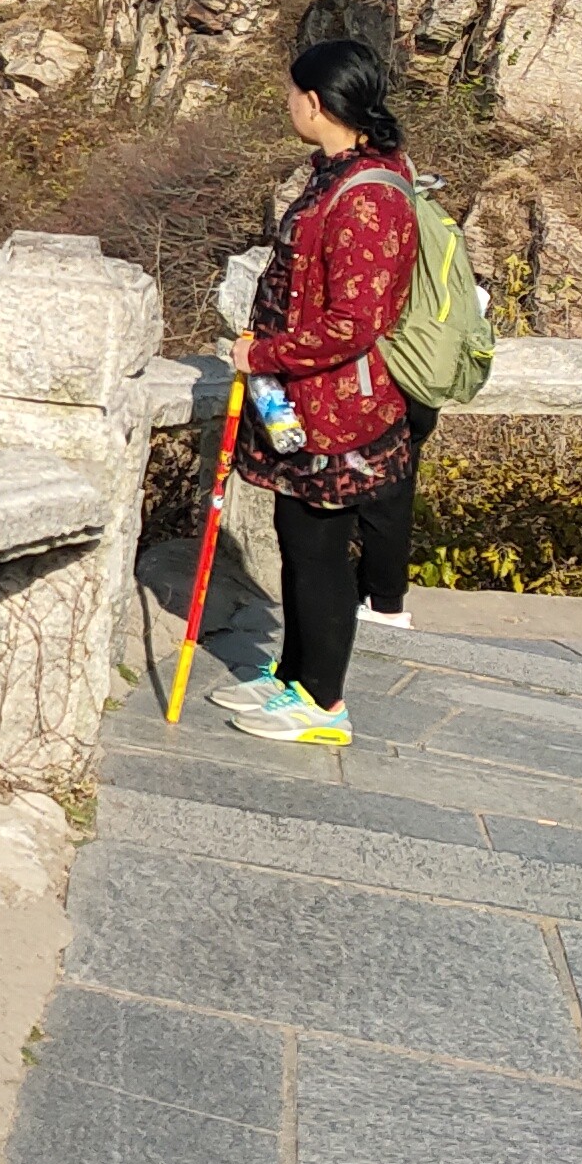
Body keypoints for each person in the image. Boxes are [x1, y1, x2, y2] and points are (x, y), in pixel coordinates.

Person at [211, 38, 432, 744]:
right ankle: (295, 675)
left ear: (316, 101)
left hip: (339, 406)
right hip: (303, 400)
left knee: (319, 547)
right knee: (297, 535)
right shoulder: (337, 171)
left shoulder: (367, 196)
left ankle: (324, 700)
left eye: (290, 92)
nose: (286, 103)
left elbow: (355, 322)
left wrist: (264, 352)